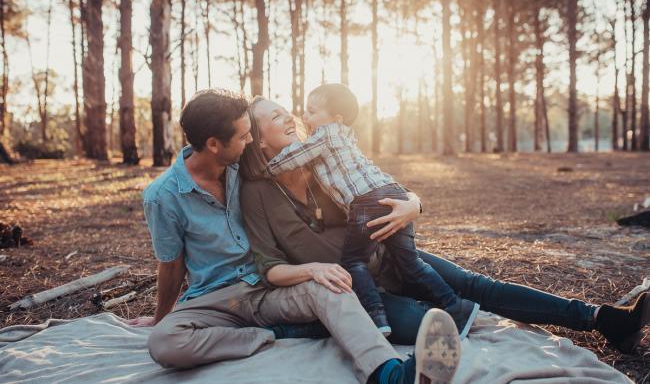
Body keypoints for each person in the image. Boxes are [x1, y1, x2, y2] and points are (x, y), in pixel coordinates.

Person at [239, 95, 650, 354]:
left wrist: (414, 205)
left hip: (393, 253)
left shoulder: (323, 164)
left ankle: (603, 318)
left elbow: (382, 185)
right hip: (356, 286)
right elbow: (268, 263)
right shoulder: (258, 191)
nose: (288, 116)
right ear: (258, 140)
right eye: (273, 117)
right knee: (443, 316)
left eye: (284, 109)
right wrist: (314, 271)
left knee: (479, 285)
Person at [127, 89, 462, 384]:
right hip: (215, 300)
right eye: (243, 136)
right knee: (163, 342)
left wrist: (413, 202)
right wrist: (161, 316)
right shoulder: (163, 197)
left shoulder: (241, 170)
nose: (248, 142)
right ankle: (271, 335)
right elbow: (170, 266)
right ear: (213, 144)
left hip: (267, 290)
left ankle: (389, 374)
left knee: (329, 286)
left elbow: (356, 179)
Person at [259, 84, 478, 338]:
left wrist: (264, 170)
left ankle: (376, 317)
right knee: (411, 263)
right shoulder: (346, 135)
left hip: (367, 202)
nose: (303, 117)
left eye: (311, 111)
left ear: (335, 118)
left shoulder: (324, 136)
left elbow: (291, 158)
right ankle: (456, 306)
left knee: (353, 261)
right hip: (391, 192)